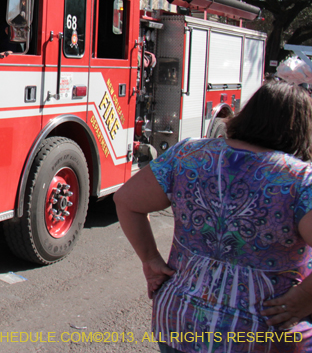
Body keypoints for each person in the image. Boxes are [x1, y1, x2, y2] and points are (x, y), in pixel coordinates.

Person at [114, 80, 312, 353]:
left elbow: (126, 200)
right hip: (259, 333)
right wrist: (305, 297)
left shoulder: (187, 154)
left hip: (179, 322)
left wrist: (150, 260)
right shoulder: (300, 180)